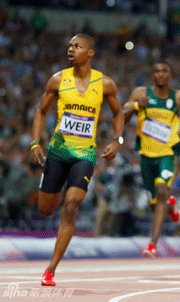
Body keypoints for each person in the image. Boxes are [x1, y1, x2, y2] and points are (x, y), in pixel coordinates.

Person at [31, 34, 124, 286]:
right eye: (70, 46)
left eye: (77, 46)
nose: (71, 50)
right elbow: (41, 112)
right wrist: (34, 141)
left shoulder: (105, 84)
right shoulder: (58, 80)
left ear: (90, 53)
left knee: (71, 206)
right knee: (45, 209)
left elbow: (118, 114)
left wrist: (117, 140)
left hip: (85, 155)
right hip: (58, 152)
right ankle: (57, 186)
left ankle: (50, 269)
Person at [123, 61, 180, 257]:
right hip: (146, 155)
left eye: (165, 71)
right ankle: (171, 205)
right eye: (156, 71)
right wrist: (134, 106)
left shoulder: (179, 97)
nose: (161, 74)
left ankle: (152, 244)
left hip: (167, 153)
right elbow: (121, 114)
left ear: (169, 74)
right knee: (154, 203)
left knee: (162, 189)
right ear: (152, 75)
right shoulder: (141, 94)